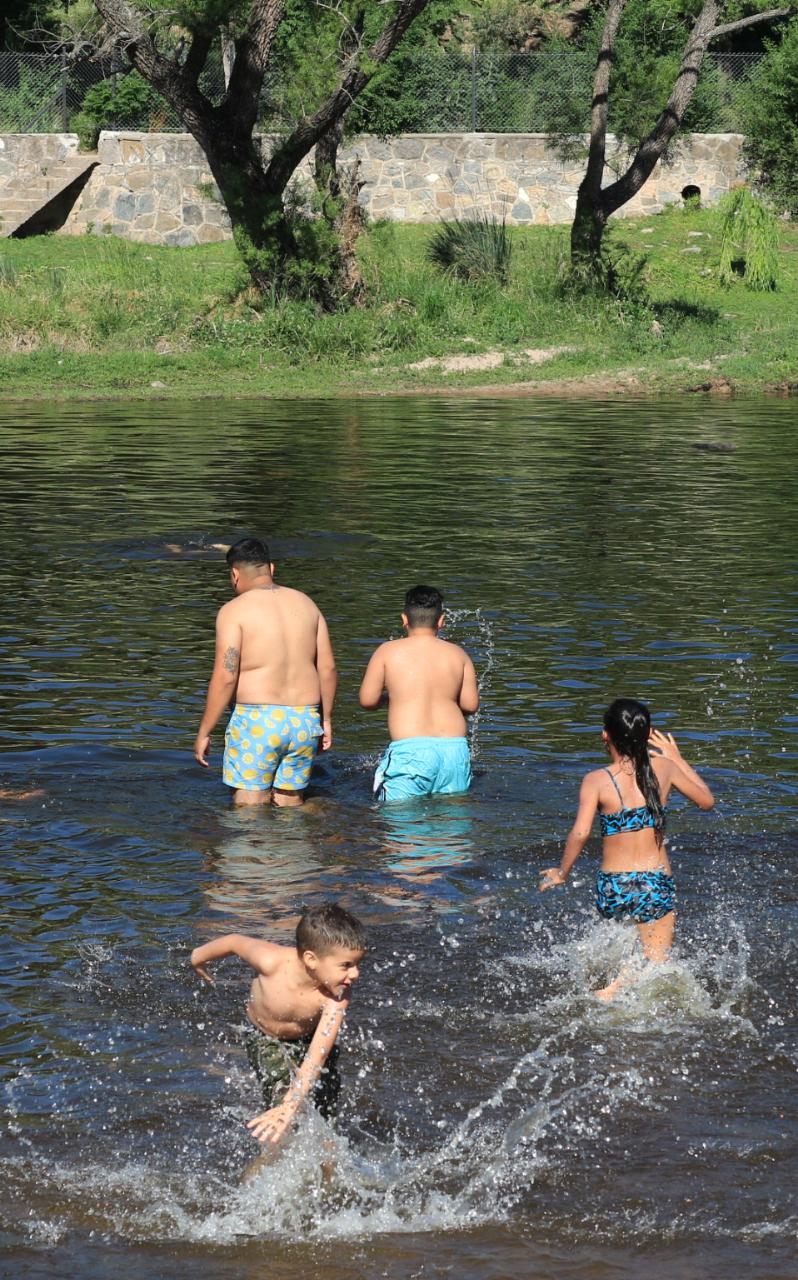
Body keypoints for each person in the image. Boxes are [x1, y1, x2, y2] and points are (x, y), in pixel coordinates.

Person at [539, 697, 715, 1000]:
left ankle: (611, 984)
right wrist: (677, 758)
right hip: (653, 882)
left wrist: (562, 872)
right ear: (647, 736)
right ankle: (609, 993)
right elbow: (707, 801)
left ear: (605, 735)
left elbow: (580, 832)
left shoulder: (596, 780)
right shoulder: (666, 768)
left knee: (629, 945)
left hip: (612, 886)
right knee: (656, 961)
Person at [190, 902, 366, 1146]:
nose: (355, 974)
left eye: (357, 964)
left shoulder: (338, 996)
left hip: (309, 1040)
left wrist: (294, 1102)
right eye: (346, 965)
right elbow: (233, 942)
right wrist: (197, 958)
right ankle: (269, 1157)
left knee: (324, 1109)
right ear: (311, 959)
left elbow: (316, 1056)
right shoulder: (271, 961)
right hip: (266, 1039)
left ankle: (329, 1161)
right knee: (281, 1106)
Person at [193, 537, 337, 807]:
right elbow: (327, 668)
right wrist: (325, 720)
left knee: (249, 805)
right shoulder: (308, 605)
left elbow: (226, 676)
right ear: (271, 568)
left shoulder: (234, 611)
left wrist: (204, 731)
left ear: (235, 574)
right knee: (290, 803)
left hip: (258, 720)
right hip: (304, 719)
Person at [359, 585, 479, 802]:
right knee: (454, 818)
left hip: (411, 752)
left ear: (404, 619)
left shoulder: (387, 651)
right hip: (454, 751)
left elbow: (367, 700)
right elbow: (470, 705)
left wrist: (390, 698)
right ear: (441, 621)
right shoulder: (458, 654)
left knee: (398, 817)